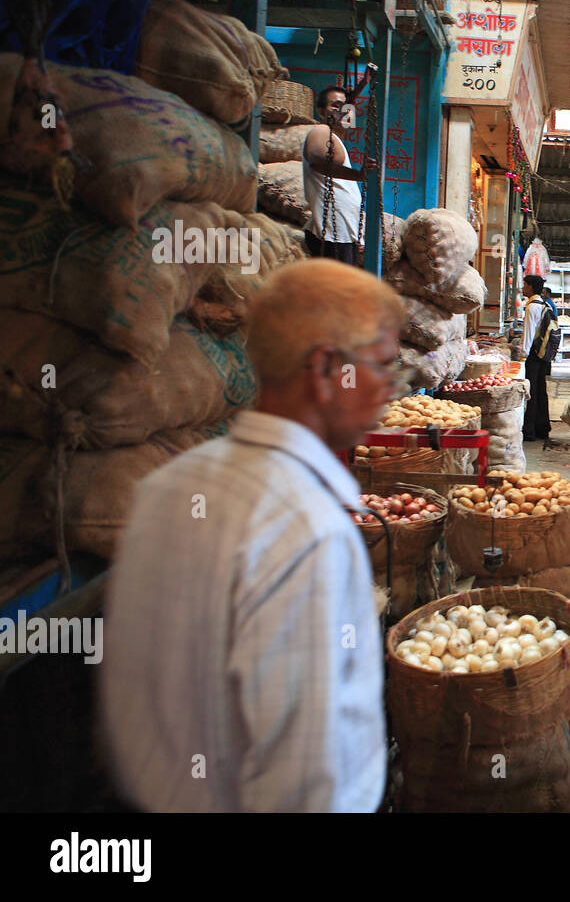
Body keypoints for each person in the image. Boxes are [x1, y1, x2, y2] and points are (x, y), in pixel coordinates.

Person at [100, 259, 406, 812]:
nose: (390, 390)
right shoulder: (307, 530)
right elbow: (308, 782)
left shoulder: (169, 487)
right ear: (324, 370)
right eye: (383, 367)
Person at [302, 84, 378, 265]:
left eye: (345, 107)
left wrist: (356, 236)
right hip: (332, 235)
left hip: (341, 234)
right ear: (321, 112)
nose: (342, 111)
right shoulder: (321, 131)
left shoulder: (336, 139)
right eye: (335, 106)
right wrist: (359, 175)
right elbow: (317, 161)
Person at [520, 273, 553, 443]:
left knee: (531, 392)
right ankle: (542, 428)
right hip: (542, 355)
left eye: (525, 285)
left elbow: (528, 334)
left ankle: (529, 430)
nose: (523, 287)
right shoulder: (543, 304)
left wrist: (522, 355)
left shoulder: (531, 306)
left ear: (531, 286)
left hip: (533, 355)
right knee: (540, 390)